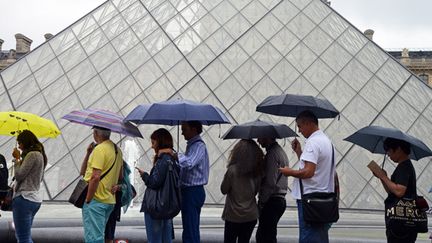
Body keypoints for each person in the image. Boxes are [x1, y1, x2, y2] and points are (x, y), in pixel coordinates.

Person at [279, 110, 335, 243]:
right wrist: (299, 152)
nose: (299, 131)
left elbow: (308, 172)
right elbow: (315, 169)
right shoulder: (327, 141)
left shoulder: (313, 142)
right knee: (320, 237)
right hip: (323, 200)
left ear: (309, 123)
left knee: (309, 237)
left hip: (310, 200)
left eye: (300, 126)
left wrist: (289, 172)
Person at [80, 126, 123, 243]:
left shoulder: (100, 149)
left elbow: (95, 177)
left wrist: (88, 199)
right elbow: (121, 177)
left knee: (93, 239)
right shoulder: (117, 150)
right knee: (99, 236)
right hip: (109, 200)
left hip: (96, 200)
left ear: (96, 133)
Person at [371, 138, 417, 243]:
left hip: (401, 223)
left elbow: (399, 192)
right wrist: (383, 177)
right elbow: (391, 192)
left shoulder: (404, 167)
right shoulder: (404, 166)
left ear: (399, 149)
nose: (388, 155)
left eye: (389, 151)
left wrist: (383, 177)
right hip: (404, 221)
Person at [137, 128, 177, 243]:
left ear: (160, 142)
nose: (152, 146)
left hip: (156, 207)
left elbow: (154, 182)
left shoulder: (163, 160)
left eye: (153, 143)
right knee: (166, 239)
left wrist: (144, 175)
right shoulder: (173, 160)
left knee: (155, 239)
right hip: (167, 204)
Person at [221, 139, 264, 243]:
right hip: (250, 215)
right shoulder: (258, 171)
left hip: (233, 214)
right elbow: (257, 190)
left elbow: (223, 190)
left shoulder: (232, 170)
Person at [11, 130, 47, 243]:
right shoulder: (40, 155)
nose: (19, 147)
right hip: (34, 200)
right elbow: (38, 178)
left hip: (24, 198)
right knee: (24, 236)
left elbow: (19, 175)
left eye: (19, 143)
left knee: (23, 238)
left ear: (25, 142)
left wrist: (17, 160)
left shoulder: (32, 155)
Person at [178, 121, 209, 243]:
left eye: (184, 129)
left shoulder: (198, 146)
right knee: (191, 227)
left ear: (194, 129)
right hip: (192, 191)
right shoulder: (192, 145)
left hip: (192, 191)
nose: (182, 133)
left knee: (190, 229)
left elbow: (190, 162)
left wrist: (176, 155)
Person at [255, 137, 289, 243]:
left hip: (272, 200)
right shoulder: (280, 151)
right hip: (279, 200)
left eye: (260, 137)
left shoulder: (272, 154)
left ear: (267, 136)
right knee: (269, 235)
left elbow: (270, 182)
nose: (258, 141)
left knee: (263, 237)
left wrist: (261, 202)